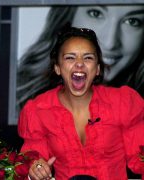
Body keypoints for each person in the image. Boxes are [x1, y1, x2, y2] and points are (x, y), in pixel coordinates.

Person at [17, 26, 144, 179]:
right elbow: (32, 159)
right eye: (70, 57)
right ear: (57, 68)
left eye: (88, 57)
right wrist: (37, 168)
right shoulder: (38, 110)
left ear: (97, 69)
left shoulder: (123, 103)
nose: (79, 64)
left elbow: (140, 158)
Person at [17, 5, 144, 111]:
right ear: (69, 17)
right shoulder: (15, 96)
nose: (110, 43)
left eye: (132, 21)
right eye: (96, 13)